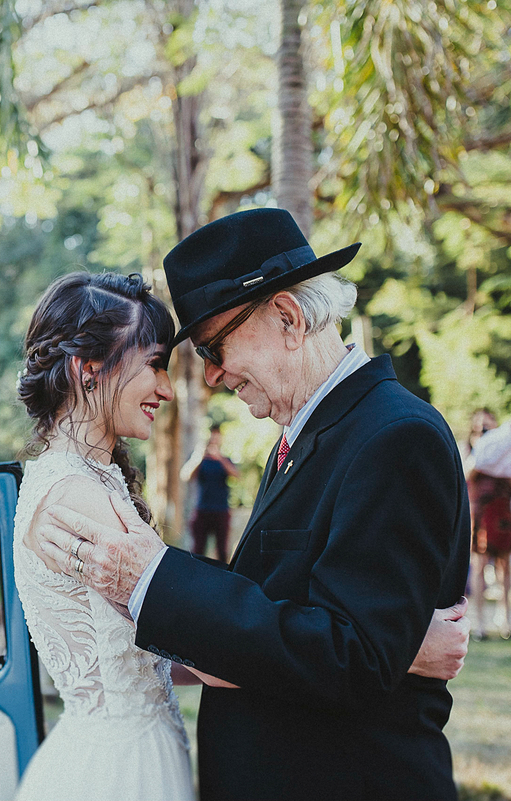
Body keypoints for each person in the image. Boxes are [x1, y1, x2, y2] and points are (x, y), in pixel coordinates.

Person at [35, 209, 471, 801]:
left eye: (215, 347)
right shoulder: (304, 436)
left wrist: (151, 579)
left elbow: (355, 658)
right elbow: (285, 601)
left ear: (288, 317)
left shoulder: (394, 437)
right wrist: (404, 649)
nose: (212, 376)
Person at [467, 410, 511, 639]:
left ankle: (505, 620)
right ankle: (480, 623)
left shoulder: (502, 445)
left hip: (501, 510)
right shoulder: (473, 448)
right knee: (479, 565)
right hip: (482, 511)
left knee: (505, 565)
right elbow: (466, 475)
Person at [180, 424, 238, 562]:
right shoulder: (200, 459)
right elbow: (186, 476)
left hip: (221, 509)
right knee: (198, 550)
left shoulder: (225, 459)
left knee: (222, 551)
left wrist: (220, 458)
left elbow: (236, 475)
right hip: (202, 509)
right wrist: (199, 458)